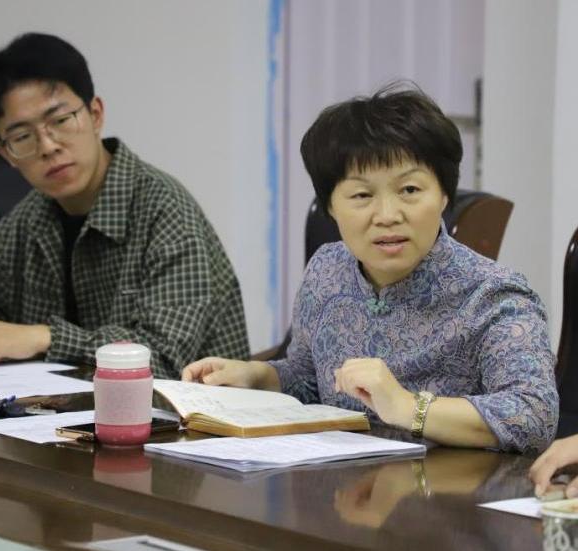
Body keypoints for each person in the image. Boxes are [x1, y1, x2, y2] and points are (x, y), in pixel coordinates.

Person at [0, 33, 250, 378]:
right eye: (23, 137)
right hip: (68, 426)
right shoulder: (31, 218)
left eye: (60, 120)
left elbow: (165, 359)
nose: (48, 146)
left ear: (95, 114)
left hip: (193, 431)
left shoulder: (164, 211)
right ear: (5, 153)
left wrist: (44, 337)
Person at [183, 84, 557, 453]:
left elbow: (533, 416)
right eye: (362, 195)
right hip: (339, 481)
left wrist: (408, 407)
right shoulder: (327, 270)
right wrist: (258, 376)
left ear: (444, 195)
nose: (387, 215)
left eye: (409, 190)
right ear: (331, 207)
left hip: (447, 487)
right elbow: (310, 378)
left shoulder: (493, 294)